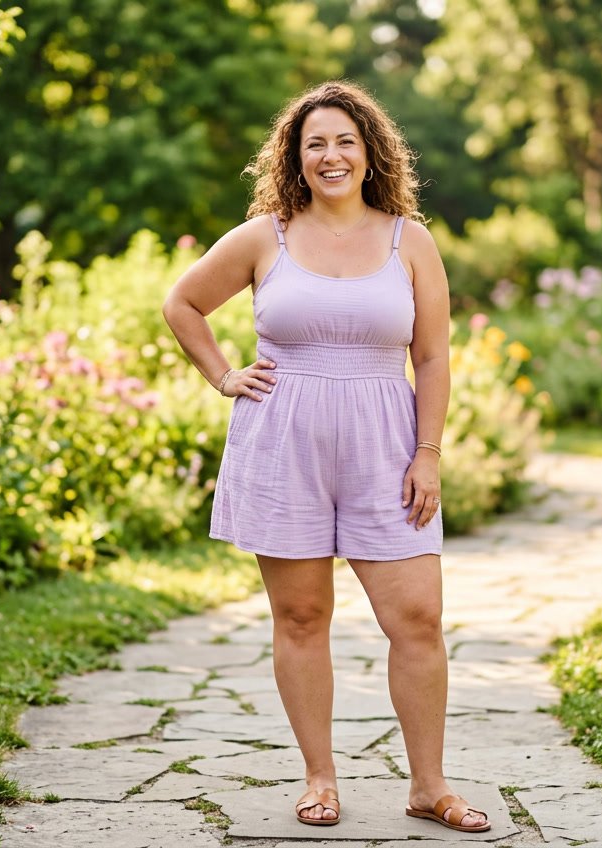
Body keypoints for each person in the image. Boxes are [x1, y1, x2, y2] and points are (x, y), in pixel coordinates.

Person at [162, 80, 489, 834]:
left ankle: (428, 784)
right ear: (295, 157)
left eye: (345, 141)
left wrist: (428, 454)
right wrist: (223, 375)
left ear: (370, 150)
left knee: (417, 618)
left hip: (386, 447)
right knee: (302, 616)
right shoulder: (263, 237)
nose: (331, 155)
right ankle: (319, 777)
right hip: (282, 445)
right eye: (315, 144)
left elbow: (434, 357)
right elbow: (182, 304)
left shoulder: (410, 240)